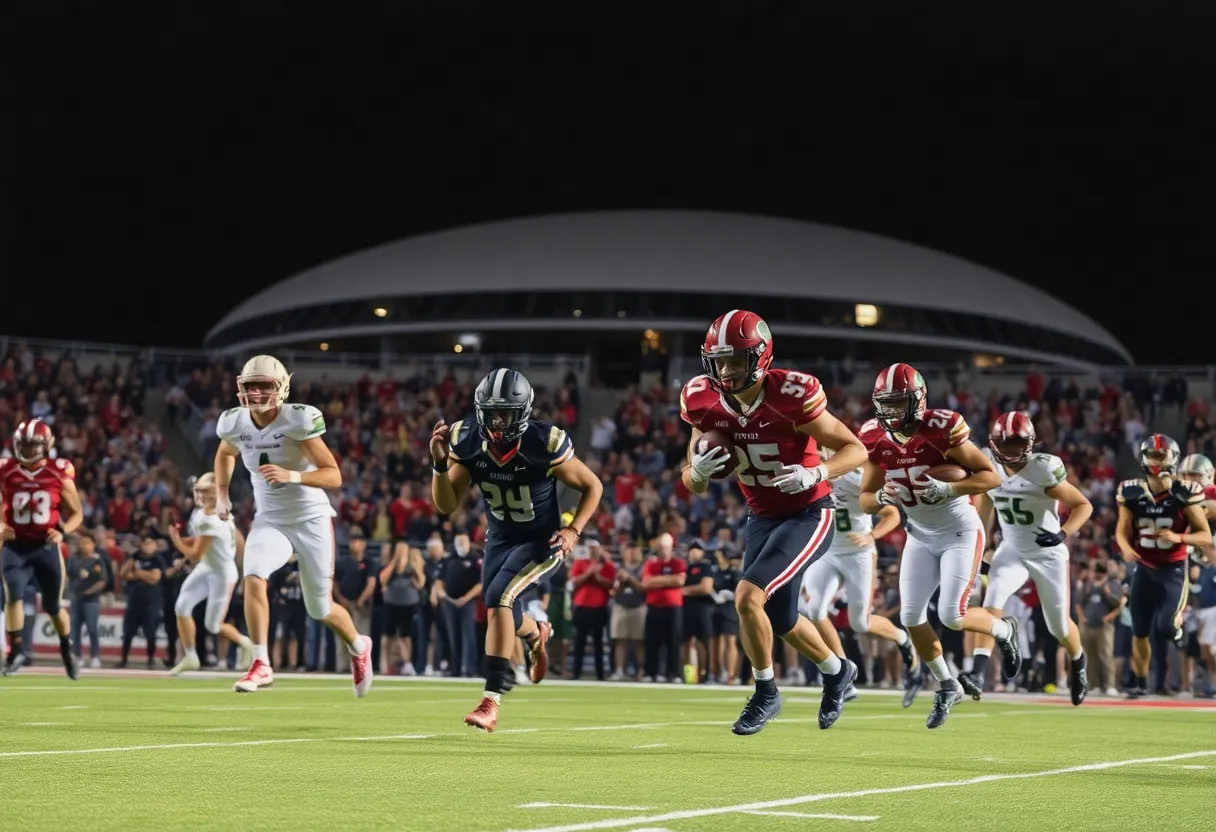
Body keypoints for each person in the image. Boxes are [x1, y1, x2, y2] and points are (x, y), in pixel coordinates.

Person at [681, 309, 868, 735]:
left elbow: (855, 449)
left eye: (736, 360)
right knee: (781, 619)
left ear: (761, 356)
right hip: (760, 516)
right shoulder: (701, 399)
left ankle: (765, 692)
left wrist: (816, 472)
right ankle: (837, 671)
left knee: (747, 596)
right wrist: (700, 473)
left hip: (809, 511)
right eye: (719, 360)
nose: (726, 370)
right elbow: (689, 479)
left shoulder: (792, 394)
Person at [431, 367, 603, 731]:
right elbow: (447, 505)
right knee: (499, 604)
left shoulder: (546, 442)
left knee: (497, 597)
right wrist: (439, 464)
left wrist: (574, 529)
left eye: (505, 413)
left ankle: (491, 699)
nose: (497, 421)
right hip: (501, 538)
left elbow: (593, 486)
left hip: (542, 540)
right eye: (491, 412)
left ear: (522, 412)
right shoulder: (466, 439)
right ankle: (534, 631)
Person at [858, 363, 1019, 729]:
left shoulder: (942, 429)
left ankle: (1004, 630)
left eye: (899, 403)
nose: (892, 412)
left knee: (952, 615)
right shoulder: (875, 438)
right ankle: (947, 684)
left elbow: (990, 475)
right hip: (920, 535)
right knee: (910, 617)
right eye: (886, 403)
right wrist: (883, 494)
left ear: (918, 401)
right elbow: (865, 499)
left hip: (960, 530)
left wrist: (950, 488)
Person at [214, 354, 372, 695]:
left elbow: (334, 475)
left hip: (311, 520)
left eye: (264, 386)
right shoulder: (234, 423)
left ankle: (359, 646)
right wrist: (222, 493)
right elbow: (225, 453)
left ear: (281, 387)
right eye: (250, 385)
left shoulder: (297, 421)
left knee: (320, 608)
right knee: (253, 577)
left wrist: (293, 475)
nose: (255, 393)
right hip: (270, 520)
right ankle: (261, 663)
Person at [967, 412, 1094, 706]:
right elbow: (984, 505)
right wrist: (982, 544)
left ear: (1030, 443)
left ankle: (1078, 660)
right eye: (1005, 444)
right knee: (991, 601)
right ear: (994, 443)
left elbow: (1083, 505)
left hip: (1047, 553)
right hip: (1012, 548)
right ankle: (977, 672)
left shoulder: (1043, 469)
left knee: (1058, 627)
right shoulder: (988, 465)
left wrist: (1063, 533)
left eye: (1016, 444)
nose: (1011, 452)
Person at [799, 446, 918, 701]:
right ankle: (843, 673)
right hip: (827, 552)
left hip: (857, 553)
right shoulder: (804, 480)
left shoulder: (853, 479)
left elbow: (892, 513)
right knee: (815, 611)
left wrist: (871, 535)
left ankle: (901, 638)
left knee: (860, 623)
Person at [1114, 434, 1211, 697]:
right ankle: (1141, 684)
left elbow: (1203, 535)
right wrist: (1125, 548)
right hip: (1144, 569)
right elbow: (1121, 531)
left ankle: (1178, 635)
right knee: (1140, 630)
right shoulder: (1130, 491)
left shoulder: (1184, 492)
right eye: (1152, 455)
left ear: (1173, 459)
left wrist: (1178, 537)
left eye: (1161, 455)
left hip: (1174, 570)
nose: (1157, 461)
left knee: (1166, 627)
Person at [0, 419, 82, 678]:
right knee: (14, 594)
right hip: (15, 546)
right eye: (24, 445)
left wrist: (63, 532)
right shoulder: (6, 470)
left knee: (53, 606)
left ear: (47, 445)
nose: (29, 450)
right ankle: (15, 652)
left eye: (34, 445)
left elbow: (77, 513)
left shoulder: (59, 471)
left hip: (46, 547)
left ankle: (66, 650)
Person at [166, 474, 254, 675]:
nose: (200, 495)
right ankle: (190, 656)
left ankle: (246, 644)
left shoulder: (210, 520)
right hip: (208, 566)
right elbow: (199, 541)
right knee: (181, 607)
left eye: (205, 491)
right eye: (198, 490)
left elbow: (196, 553)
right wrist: (183, 540)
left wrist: (176, 541)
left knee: (213, 626)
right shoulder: (207, 513)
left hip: (222, 573)